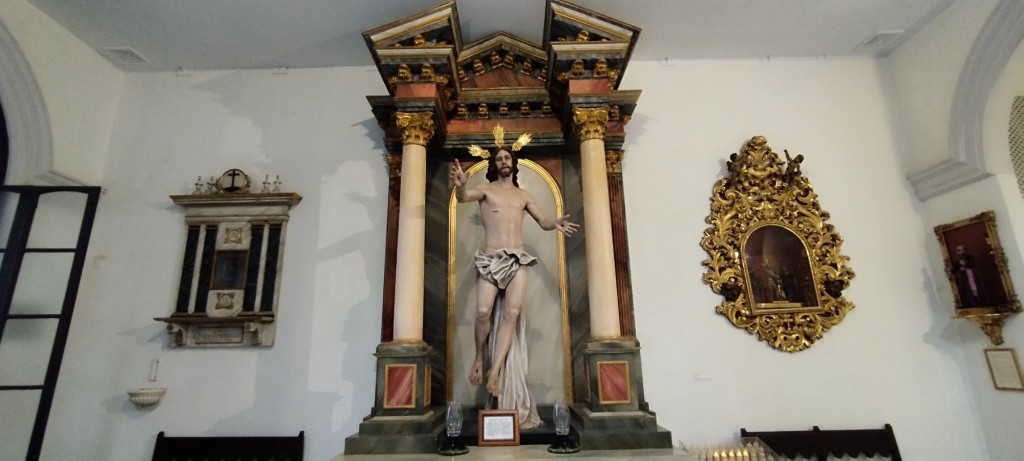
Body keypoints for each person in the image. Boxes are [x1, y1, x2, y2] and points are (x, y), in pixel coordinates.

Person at [450, 128, 578, 428]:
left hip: (517, 257)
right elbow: (464, 195)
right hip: (492, 257)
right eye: (499, 158)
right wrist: (459, 186)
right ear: (494, 164)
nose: (504, 161)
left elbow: (543, 220)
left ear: (514, 163)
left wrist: (555, 223)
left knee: (512, 313)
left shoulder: (524, 195)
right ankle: (480, 358)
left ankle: (495, 372)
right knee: (482, 312)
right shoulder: (485, 189)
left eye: (508, 157)